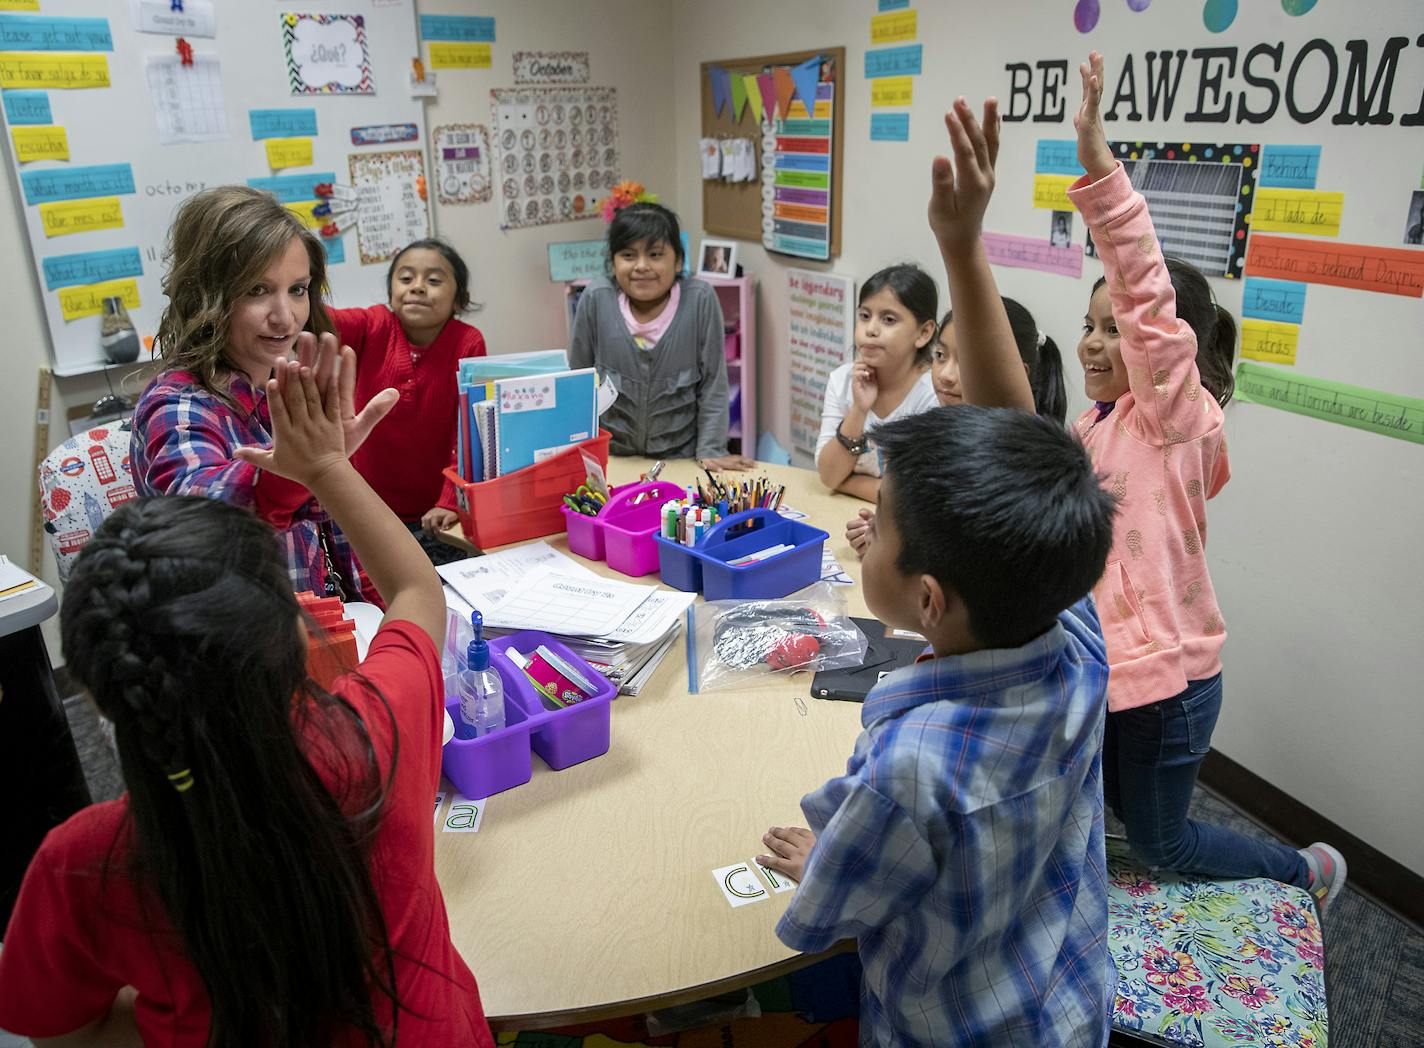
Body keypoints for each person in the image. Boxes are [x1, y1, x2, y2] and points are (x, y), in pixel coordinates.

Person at [0, 344, 493, 1046]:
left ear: (105, 701)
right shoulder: (376, 733)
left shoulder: (78, 863)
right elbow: (417, 590)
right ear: (297, 636)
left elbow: (59, 1031)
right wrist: (327, 469)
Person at [758, 97, 1116, 1048]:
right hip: (1069, 999)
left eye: (877, 532)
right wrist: (964, 245)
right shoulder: (1071, 639)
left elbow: (830, 912)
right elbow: (1021, 438)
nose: (865, 531)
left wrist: (826, 856)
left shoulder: (907, 774)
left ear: (925, 599)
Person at [1067, 53, 1344, 901]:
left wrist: (1100, 167)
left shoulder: (1178, 422)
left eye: (1116, 332)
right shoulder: (1094, 426)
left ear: (1162, 351)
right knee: (1112, 808)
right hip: (1111, 673)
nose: (1093, 343)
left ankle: (1305, 871)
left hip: (1172, 688)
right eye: (1089, 326)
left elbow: (1147, 302)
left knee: (1166, 846)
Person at [131, 185, 396, 600]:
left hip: (319, 626)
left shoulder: (291, 387)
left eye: (297, 289)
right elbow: (201, 520)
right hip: (231, 645)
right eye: (256, 290)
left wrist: (384, 610)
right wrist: (294, 475)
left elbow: (345, 543)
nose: (285, 316)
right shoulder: (178, 404)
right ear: (207, 296)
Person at [847, 296, 1068, 555]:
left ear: (1016, 374)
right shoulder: (939, 435)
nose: (945, 376)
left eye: (969, 362)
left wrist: (896, 547)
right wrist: (885, 534)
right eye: (940, 356)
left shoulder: (1030, 463)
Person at [330, 238, 486, 565]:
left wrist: (449, 500)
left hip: (435, 516)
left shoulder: (468, 342)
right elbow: (320, 321)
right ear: (390, 294)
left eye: (433, 280)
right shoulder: (373, 324)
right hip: (368, 508)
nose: (417, 287)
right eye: (405, 278)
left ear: (459, 299)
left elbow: (468, 432)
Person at [570, 202, 752, 470]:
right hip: (612, 455)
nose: (642, 266)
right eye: (628, 255)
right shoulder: (597, 298)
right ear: (613, 261)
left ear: (678, 260)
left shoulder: (699, 299)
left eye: (655, 255)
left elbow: (714, 382)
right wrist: (579, 449)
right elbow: (578, 379)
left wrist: (711, 448)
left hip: (680, 458)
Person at [814, 264, 939, 502]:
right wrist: (859, 410)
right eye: (864, 316)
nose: (871, 329)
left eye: (889, 320)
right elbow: (829, 476)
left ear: (923, 332)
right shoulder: (842, 380)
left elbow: (914, 497)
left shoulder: (933, 394)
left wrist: (845, 482)